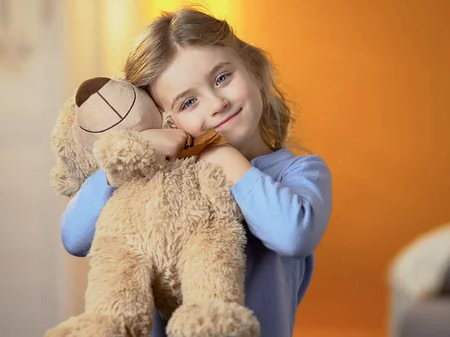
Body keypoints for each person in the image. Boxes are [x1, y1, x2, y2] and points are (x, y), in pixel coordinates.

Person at [60, 7, 332, 337]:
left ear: (255, 70)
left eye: (222, 78)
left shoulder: (299, 172)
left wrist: (226, 159)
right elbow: (74, 238)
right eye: (188, 102)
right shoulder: (157, 178)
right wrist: (122, 165)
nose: (216, 103)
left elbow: (293, 235)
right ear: (166, 119)